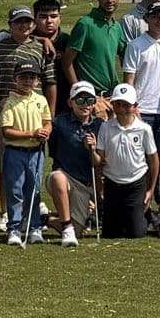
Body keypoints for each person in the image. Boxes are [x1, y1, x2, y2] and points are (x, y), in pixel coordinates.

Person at [0, 6, 58, 230]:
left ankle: (31, 218)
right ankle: (6, 214)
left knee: (32, 170)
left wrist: (49, 119)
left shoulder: (41, 47)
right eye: (18, 22)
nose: (23, 25)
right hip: (5, 116)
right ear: (10, 25)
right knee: (8, 167)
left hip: (36, 115)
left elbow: (50, 82)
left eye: (27, 21)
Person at [0, 59, 51, 247]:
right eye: (23, 77)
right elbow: (7, 131)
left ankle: (34, 227)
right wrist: (32, 134)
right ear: (15, 79)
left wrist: (45, 132)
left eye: (32, 77)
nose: (28, 81)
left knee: (34, 191)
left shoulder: (41, 100)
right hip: (15, 152)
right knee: (15, 192)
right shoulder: (10, 102)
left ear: (38, 81)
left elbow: (47, 122)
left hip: (36, 152)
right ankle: (14, 229)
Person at [96, 84, 159, 239]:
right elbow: (99, 160)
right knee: (111, 234)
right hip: (112, 182)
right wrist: (99, 188)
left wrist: (150, 190)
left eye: (126, 105)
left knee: (135, 233)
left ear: (135, 106)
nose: (122, 109)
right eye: (118, 104)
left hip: (136, 183)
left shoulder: (144, 129)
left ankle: (145, 215)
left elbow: (153, 160)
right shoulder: (105, 127)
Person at [47, 82, 103, 246]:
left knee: (78, 231)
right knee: (57, 177)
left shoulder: (100, 125)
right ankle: (66, 227)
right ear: (70, 102)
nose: (84, 105)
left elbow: (98, 163)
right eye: (79, 100)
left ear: (94, 103)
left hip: (86, 184)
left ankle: (46, 218)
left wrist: (92, 150)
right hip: (65, 178)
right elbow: (53, 152)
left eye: (89, 100)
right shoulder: (58, 123)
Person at [122, 0, 160, 160]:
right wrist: (132, 108)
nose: (159, 21)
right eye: (155, 17)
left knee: (159, 159)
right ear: (146, 19)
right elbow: (129, 80)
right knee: (138, 158)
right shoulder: (135, 46)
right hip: (142, 110)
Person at [63, 0, 126, 98]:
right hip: (90, 97)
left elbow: (125, 58)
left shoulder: (117, 27)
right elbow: (67, 62)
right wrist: (79, 91)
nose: (109, 0)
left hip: (112, 96)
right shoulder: (85, 24)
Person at [32, 0, 73, 116]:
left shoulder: (68, 41)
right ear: (34, 19)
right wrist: (39, 39)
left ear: (60, 19)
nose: (49, 21)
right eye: (43, 17)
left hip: (66, 103)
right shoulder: (27, 41)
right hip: (34, 102)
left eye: (53, 16)